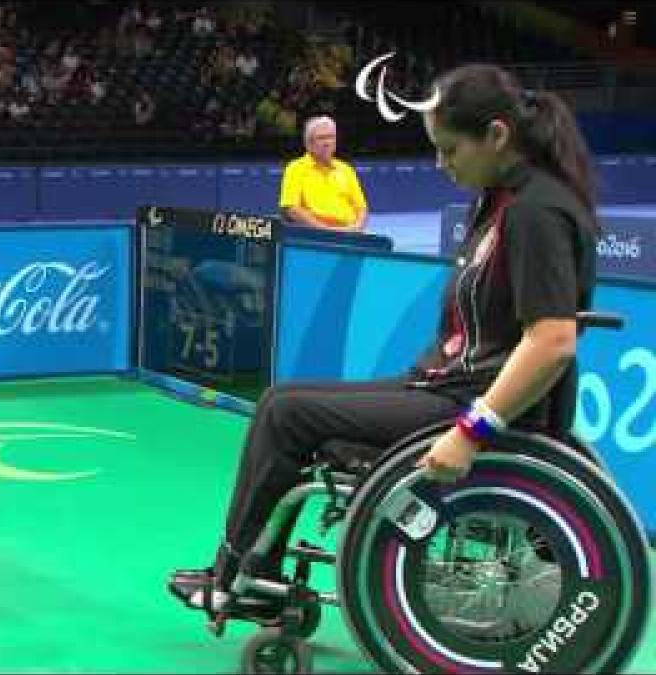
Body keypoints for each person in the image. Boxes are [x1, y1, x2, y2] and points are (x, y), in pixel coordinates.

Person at [169, 63, 600, 617]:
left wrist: (473, 432)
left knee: (285, 413)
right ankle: (250, 573)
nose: (440, 165)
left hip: (472, 403)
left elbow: (553, 339)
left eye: (450, 150)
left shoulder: (537, 210)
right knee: (282, 403)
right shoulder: (502, 197)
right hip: (446, 385)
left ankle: (239, 579)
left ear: (497, 135)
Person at [278, 115, 368, 231]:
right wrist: (324, 230)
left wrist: (357, 228)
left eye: (331, 137)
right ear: (308, 143)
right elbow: (291, 208)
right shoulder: (295, 168)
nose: (327, 142)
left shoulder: (346, 168)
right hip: (317, 236)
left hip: (350, 234)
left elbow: (361, 208)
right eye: (321, 138)